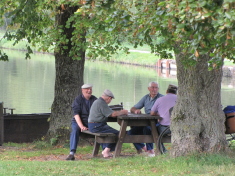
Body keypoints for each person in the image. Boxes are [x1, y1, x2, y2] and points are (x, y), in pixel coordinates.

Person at [88, 89, 128, 158]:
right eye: (111, 99)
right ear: (109, 98)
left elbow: (108, 112)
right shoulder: (101, 103)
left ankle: (106, 150)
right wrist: (123, 112)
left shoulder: (98, 101)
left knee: (112, 132)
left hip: (93, 125)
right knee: (119, 133)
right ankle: (106, 150)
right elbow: (113, 114)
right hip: (97, 126)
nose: (110, 101)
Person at [128, 81, 164, 157]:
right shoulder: (146, 98)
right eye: (152, 87)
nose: (154, 89)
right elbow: (132, 108)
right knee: (130, 133)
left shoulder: (161, 98)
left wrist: (159, 115)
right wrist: (136, 110)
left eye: (156, 87)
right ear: (149, 88)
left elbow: (166, 111)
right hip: (145, 122)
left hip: (157, 122)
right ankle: (144, 149)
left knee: (147, 129)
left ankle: (151, 151)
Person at [65, 84, 97, 160]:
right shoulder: (78, 99)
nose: (89, 90)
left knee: (101, 128)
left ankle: (106, 150)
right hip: (78, 122)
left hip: (90, 122)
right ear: (82, 90)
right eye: (87, 89)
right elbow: (76, 114)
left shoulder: (94, 99)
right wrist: (81, 126)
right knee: (75, 130)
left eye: (90, 89)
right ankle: (72, 153)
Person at [151, 84, 178, 152]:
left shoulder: (160, 99)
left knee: (152, 130)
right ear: (176, 92)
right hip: (178, 128)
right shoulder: (180, 100)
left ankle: (163, 150)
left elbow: (152, 113)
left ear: (166, 91)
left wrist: (160, 113)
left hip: (164, 129)